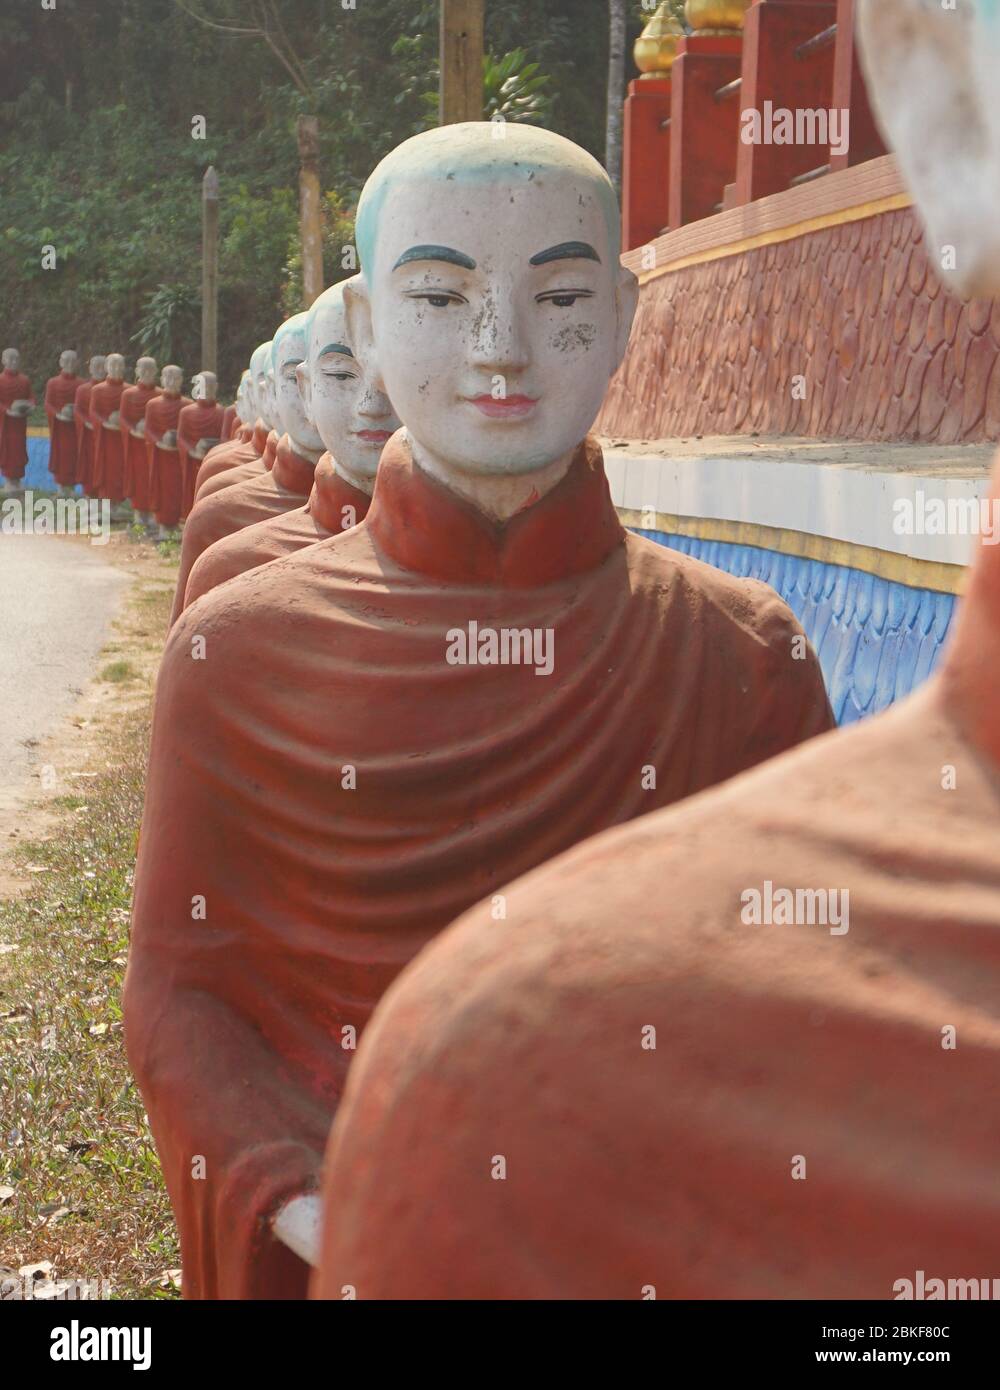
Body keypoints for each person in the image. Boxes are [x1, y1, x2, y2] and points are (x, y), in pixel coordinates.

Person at [126, 123, 833, 1300]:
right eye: (442, 298)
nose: (501, 351)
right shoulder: (240, 651)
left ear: (621, 313)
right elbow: (181, 996)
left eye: (557, 295)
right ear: (367, 322)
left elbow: (803, 995)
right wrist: (309, 1197)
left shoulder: (738, 653)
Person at [181, 280, 398, 610]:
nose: (371, 404)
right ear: (305, 388)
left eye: (393, 376)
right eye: (340, 376)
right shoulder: (227, 541)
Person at [43, 350, 82, 494]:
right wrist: (58, 415)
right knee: (60, 455)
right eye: (66, 361)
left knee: (74, 456)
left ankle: (71, 488)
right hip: (60, 428)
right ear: (60, 362)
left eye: (73, 361)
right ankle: (60, 488)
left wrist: (76, 413)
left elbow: (85, 405)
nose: (70, 364)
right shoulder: (53, 383)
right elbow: (48, 404)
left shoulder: (81, 384)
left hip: (75, 428)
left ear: (78, 363)